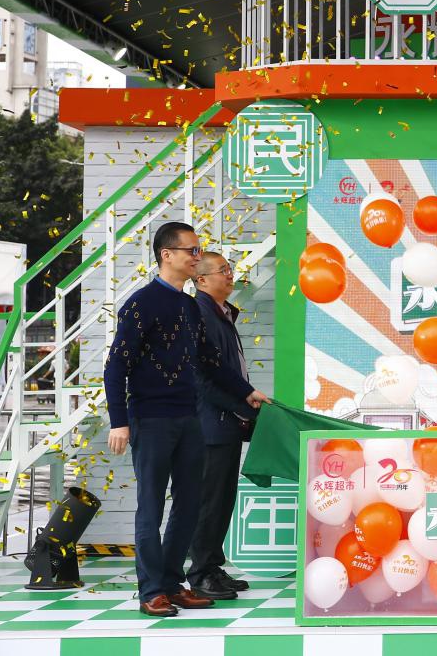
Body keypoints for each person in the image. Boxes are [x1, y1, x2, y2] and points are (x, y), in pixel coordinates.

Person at [103, 222, 268, 617]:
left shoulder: (189, 307)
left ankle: (173, 583)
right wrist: (119, 421)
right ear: (167, 255)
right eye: (191, 250)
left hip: (189, 418)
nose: (197, 256)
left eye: (198, 250)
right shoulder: (142, 303)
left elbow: (210, 361)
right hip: (150, 420)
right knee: (150, 508)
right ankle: (151, 591)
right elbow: (116, 366)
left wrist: (246, 391)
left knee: (190, 505)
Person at [187, 252, 258, 600]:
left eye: (230, 270)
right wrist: (241, 405)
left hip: (226, 422)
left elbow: (230, 373)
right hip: (209, 424)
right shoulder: (199, 314)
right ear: (201, 280)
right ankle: (199, 573)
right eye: (223, 271)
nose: (230, 276)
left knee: (223, 499)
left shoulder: (222, 313)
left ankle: (213, 566)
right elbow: (201, 379)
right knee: (209, 501)